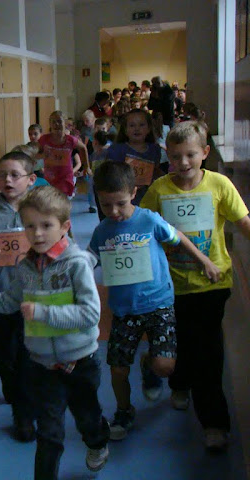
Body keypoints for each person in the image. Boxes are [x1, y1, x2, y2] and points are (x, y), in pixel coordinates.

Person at [0, 186, 110, 479]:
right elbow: (9, 301)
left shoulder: (76, 264)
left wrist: (43, 313)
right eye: (30, 226)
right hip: (43, 366)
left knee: (88, 419)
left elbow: (89, 315)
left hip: (80, 363)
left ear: (65, 226)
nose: (37, 234)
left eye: (46, 225)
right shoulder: (25, 267)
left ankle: (98, 441)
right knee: (49, 434)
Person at [89, 161, 219, 441]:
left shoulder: (149, 220)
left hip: (159, 303)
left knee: (165, 367)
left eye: (120, 204)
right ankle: (124, 411)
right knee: (118, 370)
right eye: (106, 205)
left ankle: (149, 364)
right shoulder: (103, 230)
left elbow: (178, 237)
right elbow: (90, 258)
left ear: (133, 193)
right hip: (124, 310)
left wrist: (204, 261)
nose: (114, 212)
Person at [140, 121, 250, 452]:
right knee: (182, 342)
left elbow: (243, 221)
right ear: (167, 156)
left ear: (205, 152)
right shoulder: (159, 189)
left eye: (190, 155)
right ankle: (179, 381)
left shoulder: (219, 184)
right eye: (175, 156)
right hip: (171, 286)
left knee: (209, 352)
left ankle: (214, 423)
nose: (183, 162)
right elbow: (141, 229)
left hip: (213, 283)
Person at [0, 150, 38, 442]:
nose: (7, 180)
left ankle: (24, 416)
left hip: (32, 298)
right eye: (2, 174)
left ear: (31, 179)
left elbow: (62, 243)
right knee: (2, 352)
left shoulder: (41, 209)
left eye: (15, 175)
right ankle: (8, 376)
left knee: (27, 358)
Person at [106, 109, 166, 205]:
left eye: (141, 125)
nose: (137, 129)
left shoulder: (154, 149)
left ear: (149, 128)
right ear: (125, 130)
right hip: (124, 197)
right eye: (132, 125)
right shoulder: (117, 150)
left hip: (148, 196)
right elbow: (110, 174)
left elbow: (155, 170)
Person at [38, 110, 86, 198]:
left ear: (65, 123)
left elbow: (83, 148)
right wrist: (43, 157)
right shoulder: (44, 139)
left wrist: (86, 167)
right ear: (50, 124)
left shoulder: (71, 140)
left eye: (59, 121)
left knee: (61, 200)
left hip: (65, 177)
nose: (56, 124)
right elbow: (37, 154)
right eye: (53, 122)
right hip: (50, 176)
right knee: (50, 200)